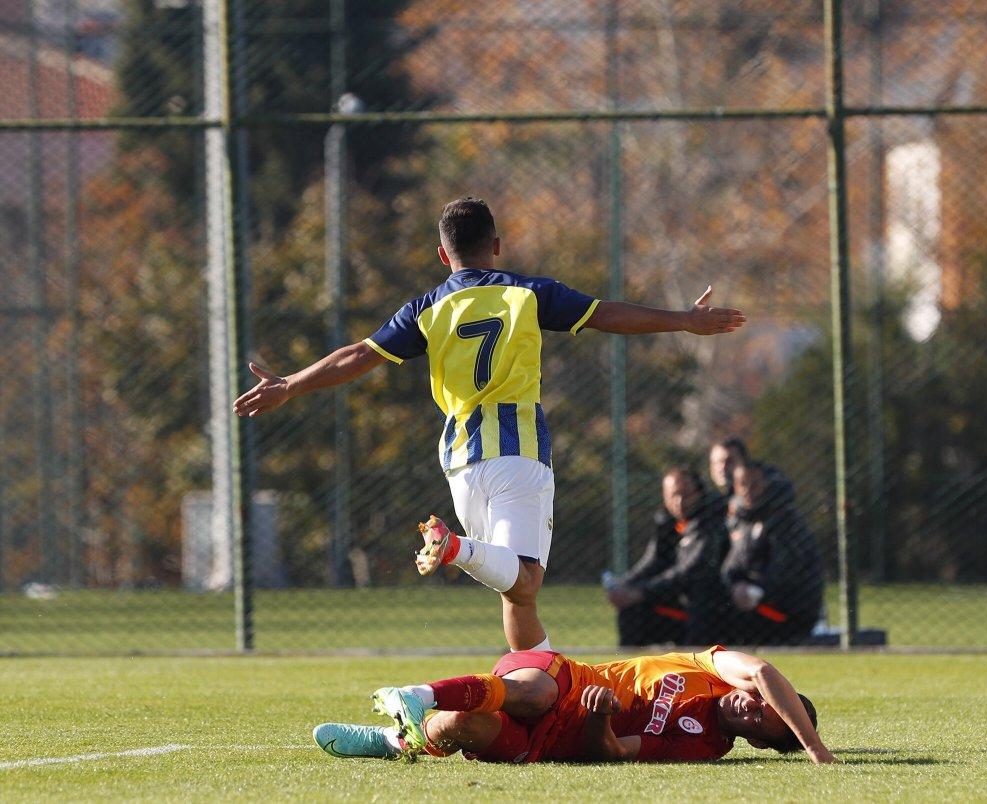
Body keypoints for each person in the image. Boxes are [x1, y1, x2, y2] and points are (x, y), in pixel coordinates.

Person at [234, 198, 745, 651]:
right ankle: (455, 547)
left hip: (459, 462)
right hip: (516, 451)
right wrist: (684, 319)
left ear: (442, 254)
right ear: (496, 245)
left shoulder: (425, 308)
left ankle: (538, 682)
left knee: (516, 596)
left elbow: (358, 355)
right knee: (524, 582)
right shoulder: (527, 292)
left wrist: (291, 384)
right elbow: (605, 313)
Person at [313, 646, 837, 764]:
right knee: (535, 691)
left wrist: (601, 716)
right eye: (762, 701)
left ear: (760, 741)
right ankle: (416, 694)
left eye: (762, 721)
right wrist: (815, 748)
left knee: (458, 725)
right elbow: (765, 671)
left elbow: (612, 753)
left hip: (554, 740)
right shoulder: (711, 665)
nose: (752, 704)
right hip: (561, 678)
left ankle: (391, 739)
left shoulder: (706, 746)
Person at [604, 467, 730, 646]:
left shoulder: (710, 523)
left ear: (699, 493)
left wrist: (641, 592)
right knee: (630, 609)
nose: (679, 501)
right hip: (674, 600)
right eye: (673, 495)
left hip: (706, 608)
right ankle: (629, 667)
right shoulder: (667, 523)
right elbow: (652, 561)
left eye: (686, 494)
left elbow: (689, 571)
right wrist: (624, 585)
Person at [721, 461, 824, 644]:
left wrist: (754, 590)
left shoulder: (785, 519)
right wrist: (736, 584)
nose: (748, 490)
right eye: (743, 484)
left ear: (767, 484)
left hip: (786, 608)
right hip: (753, 602)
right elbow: (733, 564)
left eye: (755, 484)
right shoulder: (743, 520)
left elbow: (786, 569)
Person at [708, 437, 796, 514]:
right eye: (716, 463)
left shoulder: (768, 479)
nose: (722, 468)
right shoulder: (715, 502)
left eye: (729, 461)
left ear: (743, 460)